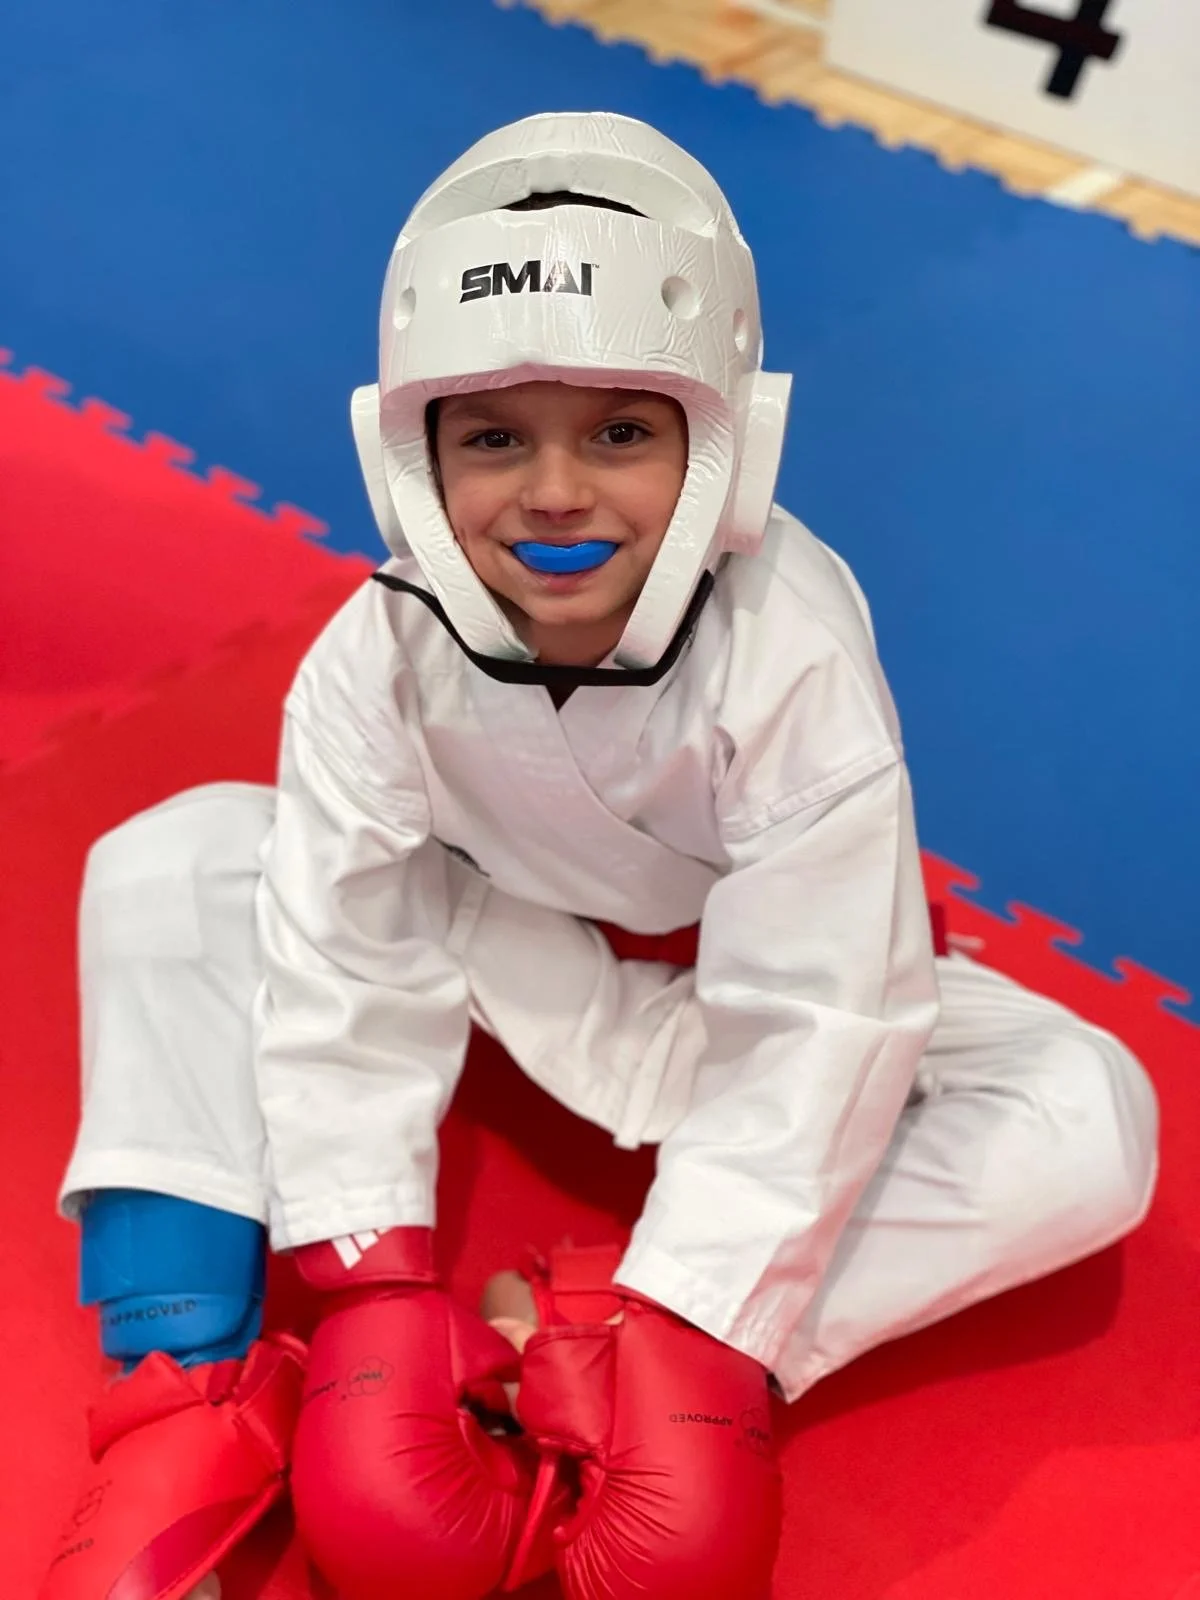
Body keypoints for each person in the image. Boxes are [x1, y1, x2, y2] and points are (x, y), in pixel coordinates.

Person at [41, 112, 1159, 1600]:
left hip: (743, 1018)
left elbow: (822, 1015)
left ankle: (630, 1356)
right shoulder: (372, 655)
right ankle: (188, 1395)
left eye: (620, 432)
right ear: (411, 452)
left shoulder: (790, 648)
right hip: (504, 959)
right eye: (496, 437)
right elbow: (352, 952)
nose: (557, 493)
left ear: (719, 444)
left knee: (1090, 1113)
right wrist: (368, 1279)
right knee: (170, 858)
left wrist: (705, 1317)